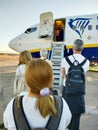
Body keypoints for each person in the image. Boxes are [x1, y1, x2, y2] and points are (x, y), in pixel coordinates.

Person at [3, 59, 71, 130]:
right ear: (51, 80)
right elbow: (67, 122)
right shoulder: (62, 104)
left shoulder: (13, 105)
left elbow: (7, 124)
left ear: (27, 80)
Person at [61, 39, 90, 130]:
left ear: (73, 48)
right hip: (79, 91)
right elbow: (83, 75)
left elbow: (63, 74)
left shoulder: (65, 60)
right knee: (76, 117)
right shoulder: (87, 61)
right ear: (82, 49)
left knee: (66, 114)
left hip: (67, 90)